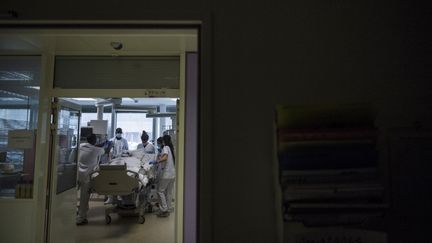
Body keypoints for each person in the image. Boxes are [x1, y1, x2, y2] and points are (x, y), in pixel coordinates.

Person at [76, 133, 105, 225]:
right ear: (94, 141)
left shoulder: (80, 146)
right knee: (84, 197)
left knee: (72, 195)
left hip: (76, 174)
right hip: (86, 176)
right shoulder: (96, 150)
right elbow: (105, 151)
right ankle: (81, 218)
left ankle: (74, 211)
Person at [153, 134, 175, 217]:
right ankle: (168, 208)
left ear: (163, 141)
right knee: (168, 192)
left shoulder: (165, 148)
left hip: (166, 174)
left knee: (160, 191)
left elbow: (165, 158)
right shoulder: (170, 148)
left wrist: (157, 161)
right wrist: (160, 157)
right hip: (172, 174)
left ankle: (164, 210)